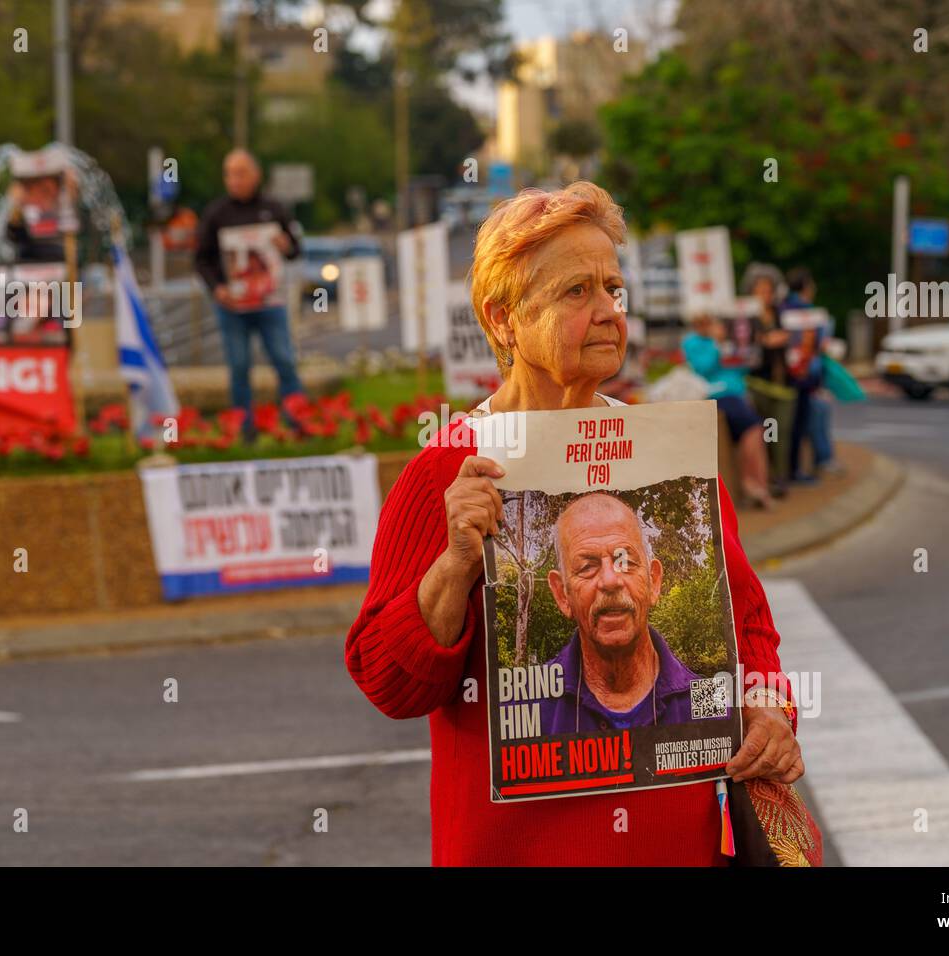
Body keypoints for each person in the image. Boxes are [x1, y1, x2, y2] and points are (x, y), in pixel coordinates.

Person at [344, 182, 802, 866]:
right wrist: (454, 568)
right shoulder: (447, 468)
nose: (608, 312)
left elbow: (751, 623)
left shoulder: (664, 450)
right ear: (502, 320)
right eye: (576, 292)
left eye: (613, 290)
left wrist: (769, 710)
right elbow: (388, 682)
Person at [536, 493, 712, 733]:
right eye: (587, 567)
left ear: (654, 581)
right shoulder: (529, 709)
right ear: (562, 595)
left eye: (625, 561)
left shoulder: (710, 703)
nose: (610, 580)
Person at [194, 150, 305, 440]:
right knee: (239, 366)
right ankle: (244, 432)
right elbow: (201, 259)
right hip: (233, 307)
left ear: (256, 175)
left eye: (241, 173)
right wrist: (217, 288)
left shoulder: (274, 209)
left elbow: (295, 249)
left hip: (270, 303)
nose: (235, 180)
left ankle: (299, 424)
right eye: (229, 173)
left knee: (284, 361)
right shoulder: (217, 214)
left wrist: (286, 246)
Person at [682, 314, 773, 508]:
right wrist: (717, 344)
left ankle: (757, 484)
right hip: (718, 395)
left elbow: (742, 367)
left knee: (756, 431)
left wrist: (746, 347)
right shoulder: (693, 342)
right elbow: (702, 368)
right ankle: (754, 483)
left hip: (737, 395)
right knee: (754, 428)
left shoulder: (728, 341)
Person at [741, 262, 796, 495]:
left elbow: (796, 339)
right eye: (760, 289)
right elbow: (741, 348)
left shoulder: (782, 314)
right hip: (757, 383)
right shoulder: (746, 317)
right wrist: (764, 341)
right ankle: (768, 479)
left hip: (782, 383)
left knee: (781, 432)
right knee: (763, 433)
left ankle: (781, 477)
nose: (765, 294)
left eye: (768, 289)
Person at [781, 266, 824, 483]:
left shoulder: (783, 307)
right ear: (806, 286)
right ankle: (795, 471)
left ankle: (795, 469)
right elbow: (814, 344)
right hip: (801, 376)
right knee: (798, 425)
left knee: (793, 425)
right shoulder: (806, 312)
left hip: (788, 375)